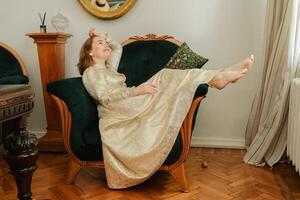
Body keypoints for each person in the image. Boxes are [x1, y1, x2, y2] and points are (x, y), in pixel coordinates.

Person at [77, 28, 254, 189]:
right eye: (100, 44)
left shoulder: (108, 67)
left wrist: (99, 35)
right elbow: (105, 98)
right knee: (166, 75)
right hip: (118, 113)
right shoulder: (90, 73)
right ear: (90, 52)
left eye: (105, 43)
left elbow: (118, 48)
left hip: (129, 103)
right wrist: (136, 91)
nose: (106, 45)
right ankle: (218, 78)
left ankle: (219, 75)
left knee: (168, 74)